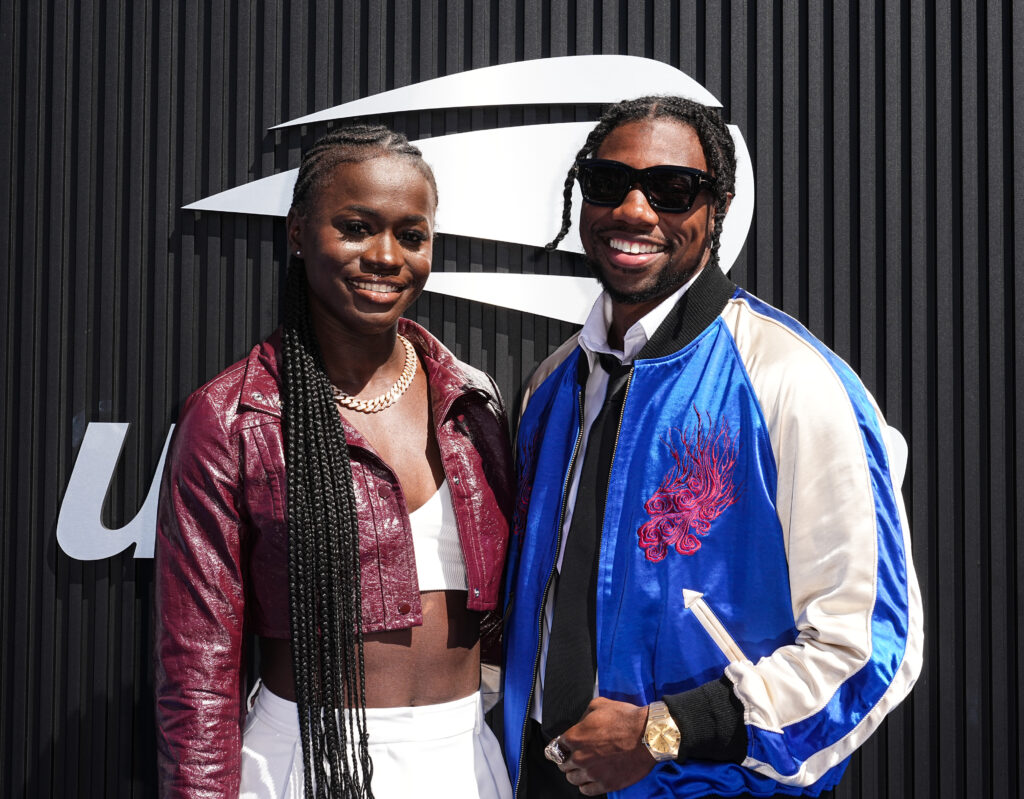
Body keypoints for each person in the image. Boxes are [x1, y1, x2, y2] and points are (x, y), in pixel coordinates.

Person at [502, 96, 924, 798]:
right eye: (610, 182)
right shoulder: (550, 386)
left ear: (717, 207)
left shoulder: (791, 380)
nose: (635, 210)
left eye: (671, 189)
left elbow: (868, 648)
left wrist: (666, 730)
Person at [155, 124, 514, 799]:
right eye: (355, 227)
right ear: (297, 232)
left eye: (412, 235)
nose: (385, 256)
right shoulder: (233, 415)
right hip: (307, 761)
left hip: (466, 758)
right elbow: (198, 668)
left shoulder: (472, 402)